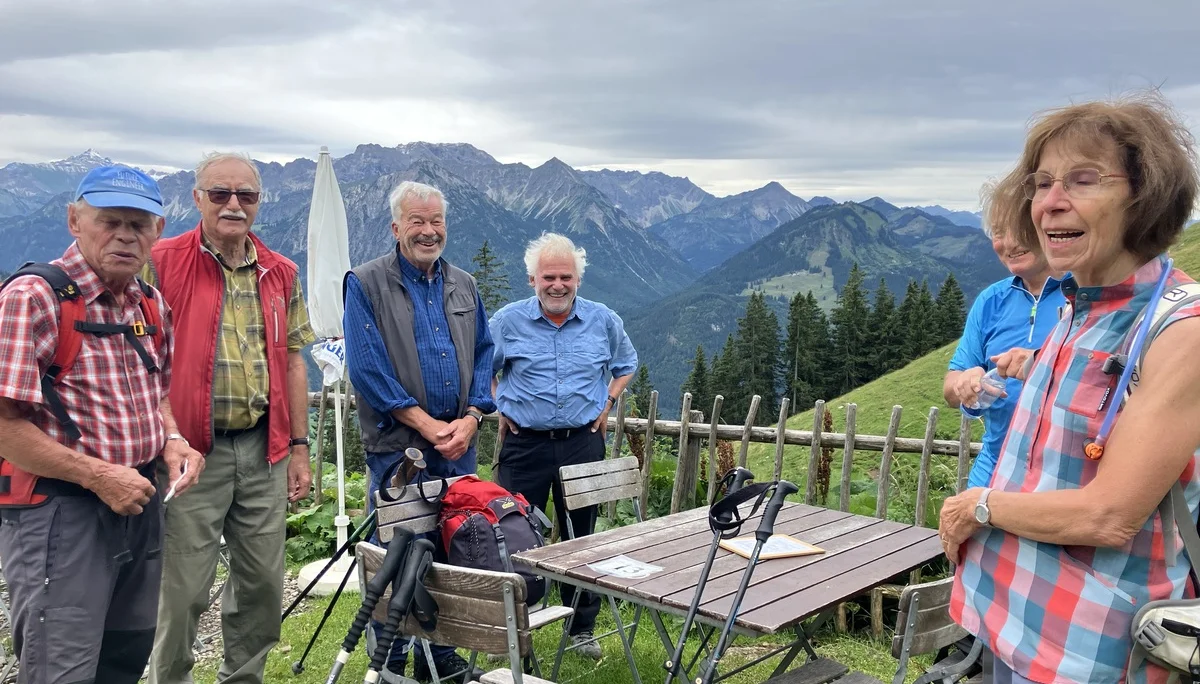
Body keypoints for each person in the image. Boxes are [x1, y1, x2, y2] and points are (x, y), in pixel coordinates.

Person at [939, 93, 1200, 683]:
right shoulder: (1074, 311)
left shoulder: (1180, 332)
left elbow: (1109, 516)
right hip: (1006, 619)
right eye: (1042, 182)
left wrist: (976, 505)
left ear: (1145, 196)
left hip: (1087, 651)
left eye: (1083, 180)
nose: (1050, 203)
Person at [0, 165, 204, 683]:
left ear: (158, 230)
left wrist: (174, 440)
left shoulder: (150, 304)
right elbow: (4, 424)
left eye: (138, 225)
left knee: (123, 659)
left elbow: (157, 394)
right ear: (74, 220)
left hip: (139, 500)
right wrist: (98, 476)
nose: (124, 236)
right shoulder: (33, 298)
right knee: (60, 666)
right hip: (61, 510)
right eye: (108, 221)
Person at [145, 152, 316, 684]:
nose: (234, 205)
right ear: (196, 199)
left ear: (261, 203)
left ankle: (242, 679)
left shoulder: (280, 271)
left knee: (263, 584)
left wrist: (299, 447)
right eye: (220, 193)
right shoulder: (160, 261)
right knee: (183, 588)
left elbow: (292, 358)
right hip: (190, 452)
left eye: (246, 196)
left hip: (263, 448)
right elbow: (137, 357)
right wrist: (168, 433)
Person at [343, 180, 495, 683]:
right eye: (417, 222)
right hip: (398, 453)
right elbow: (368, 369)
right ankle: (391, 664)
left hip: (458, 449)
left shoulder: (464, 285)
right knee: (397, 556)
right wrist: (428, 425)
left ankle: (446, 660)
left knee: (455, 548)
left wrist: (472, 417)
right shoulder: (365, 283)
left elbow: (484, 353)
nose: (428, 231)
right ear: (396, 227)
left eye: (436, 222)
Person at [489, 232, 638, 660]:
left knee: (582, 538)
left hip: (581, 444)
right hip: (524, 445)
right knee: (513, 536)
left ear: (578, 280)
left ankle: (581, 629)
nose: (558, 285)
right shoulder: (507, 321)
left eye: (566, 277)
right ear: (532, 279)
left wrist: (608, 401)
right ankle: (514, 630)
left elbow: (626, 364)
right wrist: (500, 403)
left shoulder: (602, 319)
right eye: (549, 277)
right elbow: (483, 367)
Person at [944, 180, 1067, 488]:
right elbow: (949, 389)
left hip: (1061, 477)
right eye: (998, 232)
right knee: (960, 535)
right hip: (993, 469)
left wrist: (1040, 364)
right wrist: (966, 382)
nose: (1008, 242)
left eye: (1020, 228)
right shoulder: (990, 300)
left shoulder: (1081, 295)